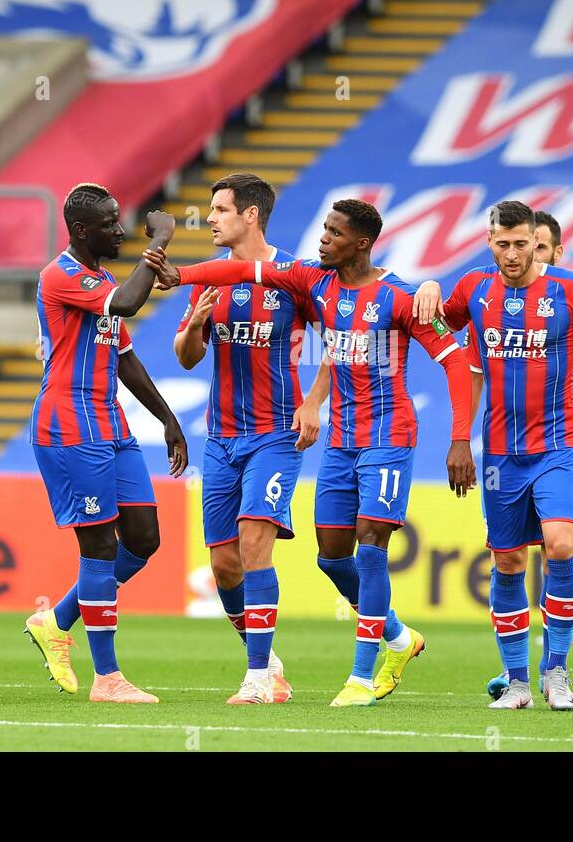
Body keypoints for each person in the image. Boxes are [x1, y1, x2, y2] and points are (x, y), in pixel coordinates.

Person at [147, 198, 476, 707]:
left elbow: (455, 362)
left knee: (370, 550)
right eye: (323, 228)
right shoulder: (312, 282)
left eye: (333, 232)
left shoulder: (401, 298)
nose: (322, 238)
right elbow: (242, 268)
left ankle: (360, 679)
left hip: (388, 436)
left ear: (361, 244)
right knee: (331, 557)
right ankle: (397, 637)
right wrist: (182, 275)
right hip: (340, 442)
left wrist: (459, 438)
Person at [430, 200, 573, 710]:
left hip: (559, 446)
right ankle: (516, 683)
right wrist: (425, 288)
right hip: (499, 453)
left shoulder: (572, 290)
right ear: (489, 242)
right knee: (508, 560)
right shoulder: (472, 289)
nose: (512, 254)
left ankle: (556, 671)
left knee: (560, 544)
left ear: (539, 242)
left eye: (522, 244)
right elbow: (435, 331)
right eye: (502, 244)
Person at [20, 183, 178, 704]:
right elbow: (131, 303)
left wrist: (167, 418)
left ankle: (57, 620)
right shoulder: (61, 275)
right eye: (111, 223)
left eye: (122, 220)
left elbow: (125, 356)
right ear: (83, 230)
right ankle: (107, 679)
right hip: (69, 422)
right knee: (100, 544)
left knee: (144, 538)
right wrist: (160, 243)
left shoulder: (101, 278)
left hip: (110, 422)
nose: (120, 230)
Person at [173, 173, 305, 705]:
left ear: (250, 215)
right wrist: (193, 328)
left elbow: (340, 332)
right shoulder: (211, 282)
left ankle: (256, 678)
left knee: (254, 542)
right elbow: (186, 356)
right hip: (221, 436)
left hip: (275, 435)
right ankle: (265, 655)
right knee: (224, 564)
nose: (210, 218)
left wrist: (313, 400)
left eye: (221, 210)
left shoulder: (293, 275)